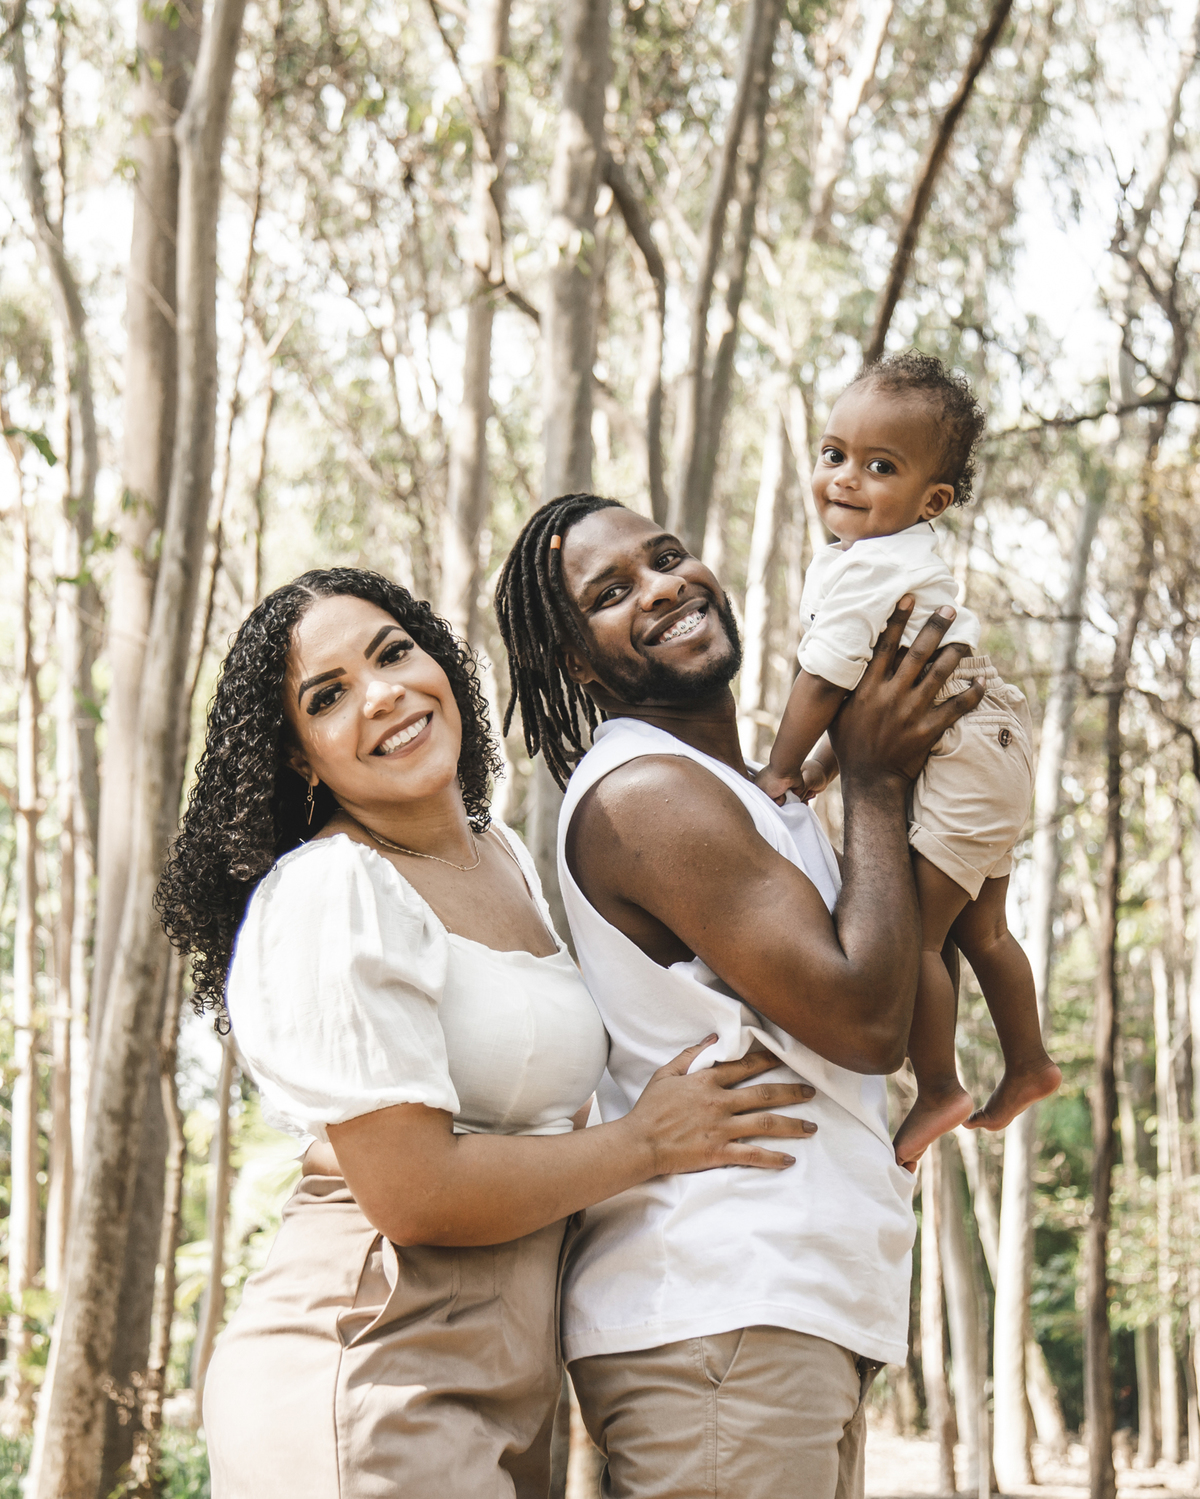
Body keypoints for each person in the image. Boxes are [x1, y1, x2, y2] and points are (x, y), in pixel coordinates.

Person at [156, 567, 818, 1499]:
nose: (382, 694)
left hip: (509, 1376)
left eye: (394, 653)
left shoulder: (498, 853)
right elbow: (413, 1191)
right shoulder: (332, 888)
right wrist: (645, 1143)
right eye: (328, 696)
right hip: (365, 1362)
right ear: (301, 757)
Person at [494, 495, 986, 1499]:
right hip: (722, 1314)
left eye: (666, 554)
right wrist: (874, 778)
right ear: (578, 663)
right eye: (610, 592)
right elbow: (865, 1021)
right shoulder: (646, 793)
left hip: (779, 1310)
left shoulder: (752, 788)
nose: (662, 586)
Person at [754, 352, 1061, 1166]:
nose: (846, 478)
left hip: (961, 748)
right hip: (987, 743)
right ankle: (1029, 1061)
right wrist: (823, 772)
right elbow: (870, 700)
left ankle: (939, 1086)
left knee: (917, 937)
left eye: (880, 466)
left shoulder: (874, 564)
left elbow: (827, 679)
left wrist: (781, 768)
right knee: (984, 929)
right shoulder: (880, 558)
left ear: (933, 501)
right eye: (834, 454)